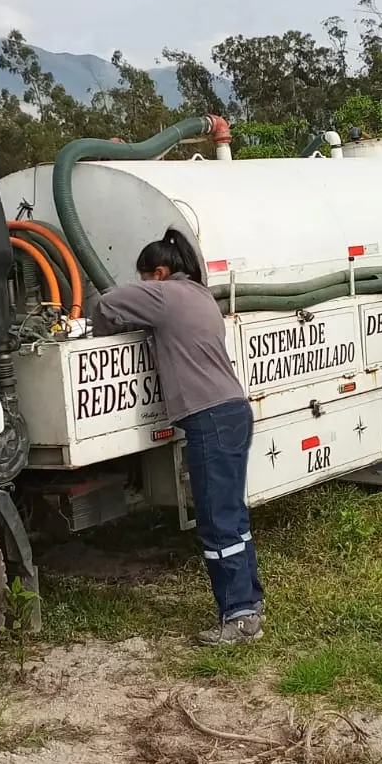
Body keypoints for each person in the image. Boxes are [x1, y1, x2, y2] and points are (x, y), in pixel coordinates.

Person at [92, 229, 264, 645]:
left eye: (144, 276)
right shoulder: (200, 295)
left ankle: (239, 618)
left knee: (217, 522)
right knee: (232, 517)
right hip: (233, 411)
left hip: (210, 419)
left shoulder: (164, 295)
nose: (143, 284)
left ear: (161, 272)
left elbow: (105, 303)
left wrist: (101, 335)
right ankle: (249, 605)